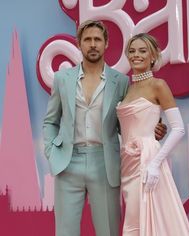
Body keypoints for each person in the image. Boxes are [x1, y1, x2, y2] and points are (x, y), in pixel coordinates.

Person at [43, 20, 166, 236]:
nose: (93, 44)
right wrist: (51, 152)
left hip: (105, 164)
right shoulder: (62, 79)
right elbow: (50, 121)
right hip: (67, 163)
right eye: (87, 39)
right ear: (79, 44)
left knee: (108, 231)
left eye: (97, 40)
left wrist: (152, 129)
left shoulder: (120, 82)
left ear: (106, 43)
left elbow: (126, 124)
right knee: (65, 232)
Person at [116, 33, 189, 236]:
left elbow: (178, 128)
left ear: (153, 56)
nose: (136, 55)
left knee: (139, 221)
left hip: (146, 160)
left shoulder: (158, 85)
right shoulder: (127, 89)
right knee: (134, 219)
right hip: (127, 162)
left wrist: (155, 164)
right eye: (132, 51)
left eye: (142, 51)